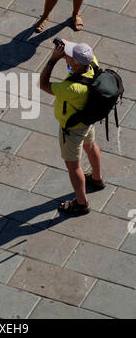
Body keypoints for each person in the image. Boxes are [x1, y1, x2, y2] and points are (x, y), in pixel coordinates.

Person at [39, 39, 105, 216]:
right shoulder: (93, 64)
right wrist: (66, 45)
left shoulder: (73, 88)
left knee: (73, 165)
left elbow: (44, 84)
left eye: (69, 56)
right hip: (87, 120)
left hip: (72, 128)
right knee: (91, 146)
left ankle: (81, 203)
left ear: (75, 63)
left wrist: (53, 60)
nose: (66, 56)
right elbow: (81, 52)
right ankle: (97, 179)